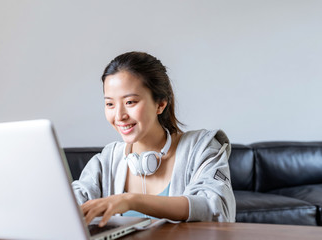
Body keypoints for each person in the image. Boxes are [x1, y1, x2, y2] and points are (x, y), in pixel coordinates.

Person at [72, 51, 236, 227]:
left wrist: (130, 200)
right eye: (110, 104)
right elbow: (71, 202)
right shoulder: (108, 160)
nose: (119, 116)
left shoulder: (202, 148)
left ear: (160, 104)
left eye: (130, 102)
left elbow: (216, 208)